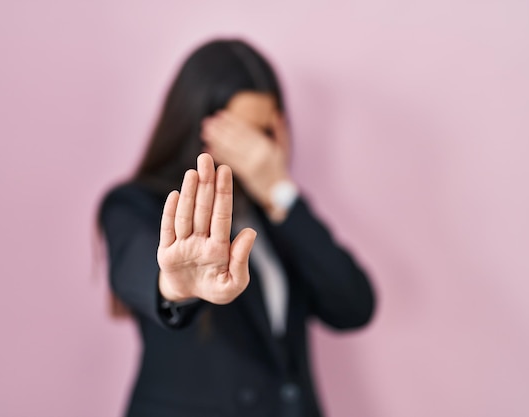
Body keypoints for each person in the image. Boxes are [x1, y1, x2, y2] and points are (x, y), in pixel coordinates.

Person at [98, 38, 375, 417]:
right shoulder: (135, 205)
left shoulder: (277, 217)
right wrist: (173, 286)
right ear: (199, 124)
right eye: (240, 133)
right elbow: (134, 264)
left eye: (265, 131)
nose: (256, 149)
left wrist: (280, 193)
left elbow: (353, 306)